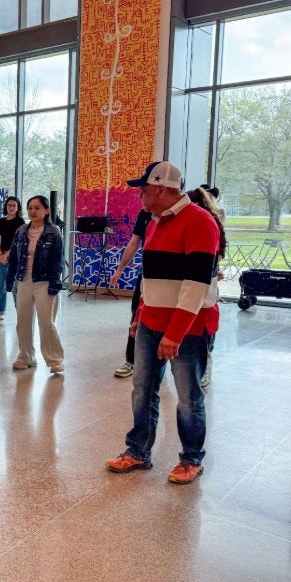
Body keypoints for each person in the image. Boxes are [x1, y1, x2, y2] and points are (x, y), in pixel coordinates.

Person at [105, 161, 219, 485]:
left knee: (187, 396)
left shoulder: (200, 222)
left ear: (159, 187)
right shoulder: (155, 222)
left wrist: (175, 333)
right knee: (142, 389)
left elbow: (195, 287)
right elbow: (151, 278)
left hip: (188, 330)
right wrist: (141, 314)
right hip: (151, 323)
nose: (139, 194)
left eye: (143, 188)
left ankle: (191, 458)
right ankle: (138, 451)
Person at [5, 195, 65, 374]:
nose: (33, 211)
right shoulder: (21, 231)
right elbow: (14, 258)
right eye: (30, 208)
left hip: (45, 282)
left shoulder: (53, 232)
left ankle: (54, 360)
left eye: (37, 208)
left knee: (46, 323)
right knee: (22, 322)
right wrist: (11, 280)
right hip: (23, 280)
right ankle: (26, 357)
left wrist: (55, 284)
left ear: (46, 210)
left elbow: (58, 261)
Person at [186, 185, 225, 387]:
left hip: (206, 288)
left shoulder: (211, 222)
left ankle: (204, 369)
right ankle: (199, 367)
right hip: (196, 286)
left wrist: (213, 270)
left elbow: (217, 252)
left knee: (204, 332)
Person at [108, 208, 152, 378]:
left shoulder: (183, 213)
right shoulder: (144, 214)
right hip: (147, 275)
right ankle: (131, 361)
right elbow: (134, 242)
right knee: (136, 317)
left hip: (174, 280)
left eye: (145, 191)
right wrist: (119, 269)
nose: (141, 196)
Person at [0, 196, 25, 322]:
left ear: (17, 208)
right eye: (9, 205)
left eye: (14, 206)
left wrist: (7, 255)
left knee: (17, 285)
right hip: (1, 256)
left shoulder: (20, 222)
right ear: (6, 207)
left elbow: (20, 241)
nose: (11, 208)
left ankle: (21, 314)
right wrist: (1, 255)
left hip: (15, 256)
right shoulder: (1, 221)